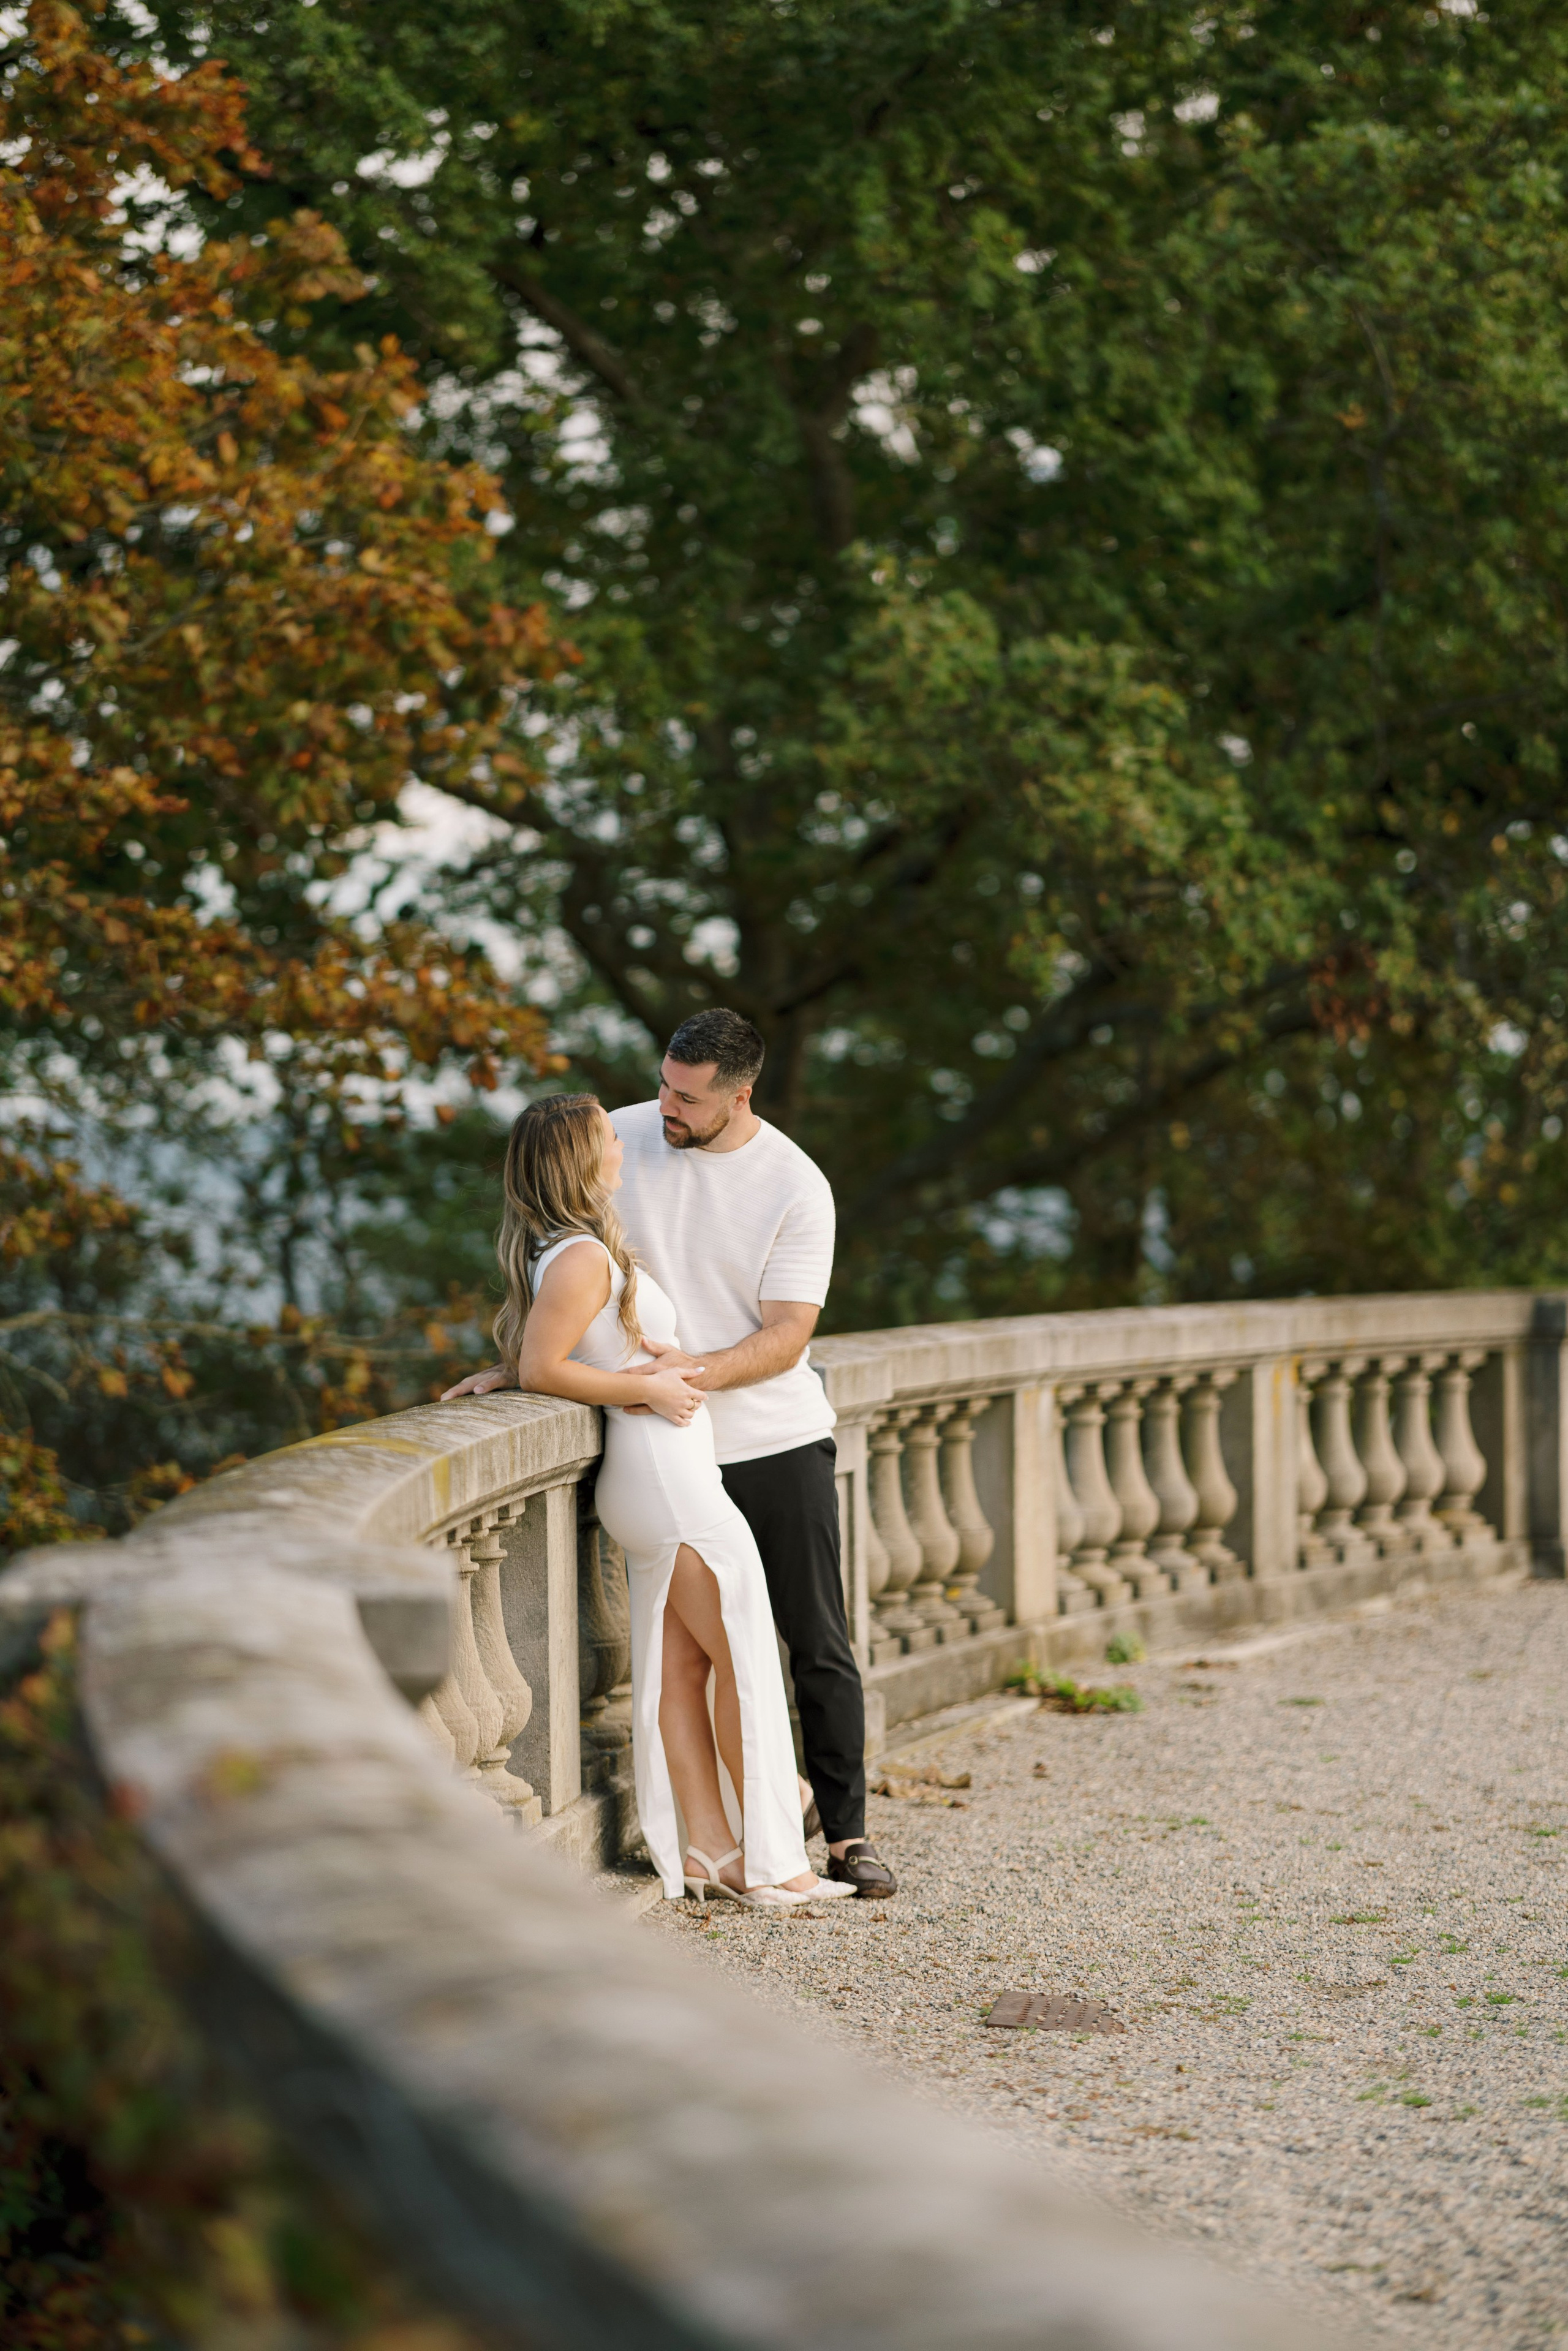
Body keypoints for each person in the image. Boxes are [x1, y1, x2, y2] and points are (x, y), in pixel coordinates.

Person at [442, 1093, 853, 1909]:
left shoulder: (573, 1249)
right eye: (607, 1139)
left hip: (659, 1475)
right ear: (582, 1159)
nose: (623, 1148)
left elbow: (547, 1355)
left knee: (686, 1665)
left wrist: (639, 1370)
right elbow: (546, 1367)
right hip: (669, 1481)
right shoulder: (583, 1254)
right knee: (741, 1662)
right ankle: (777, 1864)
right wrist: (642, 1386)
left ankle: (708, 1850)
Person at [607, 1008, 895, 1901]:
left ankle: (846, 1833)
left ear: (742, 1093)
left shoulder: (796, 1184)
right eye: (664, 1082)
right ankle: (735, 1829)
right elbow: (565, 1260)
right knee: (693, 1655)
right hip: (668, 1448)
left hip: (773, 1437)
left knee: (814, 1639)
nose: (667, 1106)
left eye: (688, 1096)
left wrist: (689, 1368)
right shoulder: (616, 1140)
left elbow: (786, 1335)